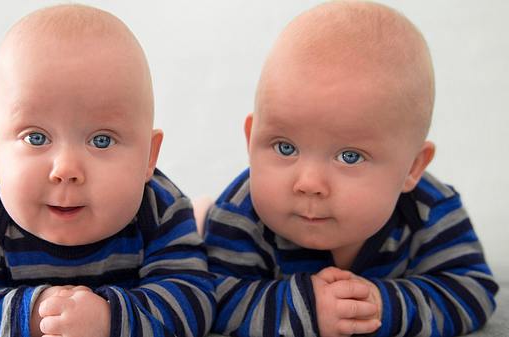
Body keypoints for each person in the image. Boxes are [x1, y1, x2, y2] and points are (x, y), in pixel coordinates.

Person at [202, 1, 498, 336]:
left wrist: (378, 306)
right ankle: (200, 213)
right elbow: (215, 296)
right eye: (286, 148)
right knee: (200, 229)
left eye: (350, 156)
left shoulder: (429, 210)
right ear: (250, 138)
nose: (309, 183)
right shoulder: (241, 214)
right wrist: (307, 309)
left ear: (412, 168)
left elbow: (472, 291)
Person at [0, 5, 214, 337]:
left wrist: (108, 319)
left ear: (149, 156)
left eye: (102, 140)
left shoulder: (161, 208)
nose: (66, 170)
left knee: (198, 242)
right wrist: (34, 315)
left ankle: (203, 218)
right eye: (36, 137)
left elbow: (194, 300)